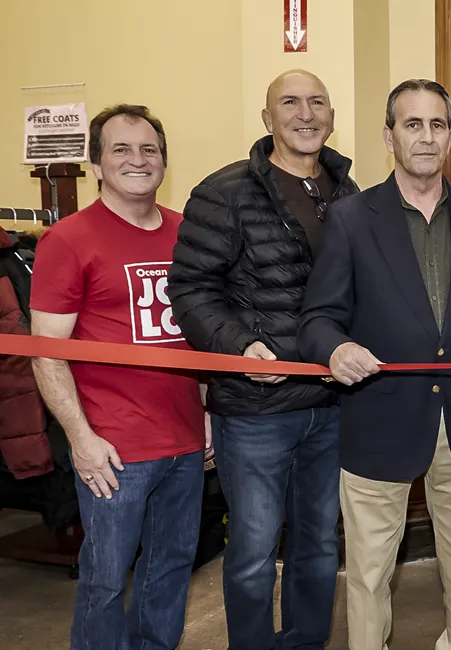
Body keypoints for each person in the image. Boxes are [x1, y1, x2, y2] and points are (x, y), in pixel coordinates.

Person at [297, 78, 451, 650]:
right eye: (413, 124)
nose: (427, 137)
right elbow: (317, 318)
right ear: (389, 136)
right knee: (370, 571)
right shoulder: (351, 218)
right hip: (379, 420)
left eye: (438, 124)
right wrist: (335, 348)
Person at [168, 69, 359, 649]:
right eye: (290, 103)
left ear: (331, 114)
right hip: (255, 408)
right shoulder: (224, 191)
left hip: (332, 402)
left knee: (321, 543)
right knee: (252, 550)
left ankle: (305, 641)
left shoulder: (349, 193)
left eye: (318, 102)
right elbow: (192, 289)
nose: (306, 114)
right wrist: (235, 346)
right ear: (267, 117)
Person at [30, 104, 207, 650]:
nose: (138, 160)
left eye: (149, 149)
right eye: (121, 149)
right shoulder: (68, 239)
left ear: (164, 160)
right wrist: (81, 440)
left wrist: (207, 418)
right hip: (113, 449)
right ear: (99, 164)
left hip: (183, 441)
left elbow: (201, 337)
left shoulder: (189, 233)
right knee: (105, 580)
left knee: (171, 569)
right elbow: (45, 353)